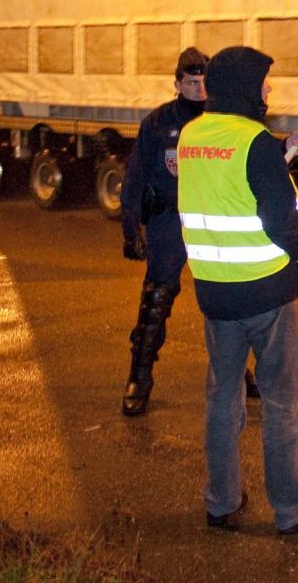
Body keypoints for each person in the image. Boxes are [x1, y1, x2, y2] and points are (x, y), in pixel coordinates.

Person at [177, 45, 298, 534]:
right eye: (265, 83)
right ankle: (293, 507)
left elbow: (227, 185)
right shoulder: (255, 141)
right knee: (280, 401)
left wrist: (282, 150)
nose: (270, 90)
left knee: (222, 399)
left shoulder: (192, 135)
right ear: (246, 88)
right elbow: (280, 219)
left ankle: (221, 501)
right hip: (265, 294)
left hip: (213, 292)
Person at [118, 47, 207, 416]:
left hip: (207, 222)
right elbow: (135, 177)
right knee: (155, 302)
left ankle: (237, 373)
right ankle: (139, 378)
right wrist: (130, 229)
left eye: (205, 82)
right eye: (192, 82)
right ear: (177, 83)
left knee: (224, 302)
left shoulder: (220, 121)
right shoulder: (157, 124)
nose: (200, 89)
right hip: (168, 222)